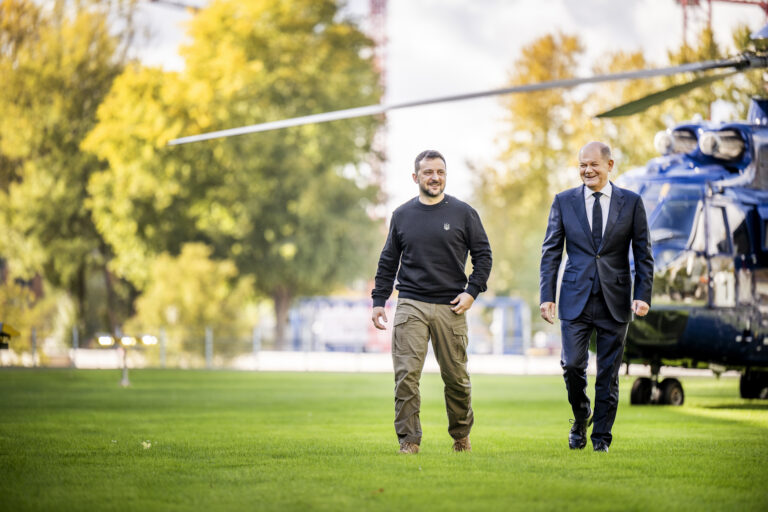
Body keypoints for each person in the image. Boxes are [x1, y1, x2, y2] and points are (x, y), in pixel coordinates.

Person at [371, 149, 492, 455]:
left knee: (457, 379)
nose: (435, 177)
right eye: (428, 172)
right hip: (410, 303)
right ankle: (409, 441)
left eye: (440, 172)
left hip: (451, 305)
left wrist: (471, 291)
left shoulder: (464, 213)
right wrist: (378, 300)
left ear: (445, 176)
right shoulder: (401, 215)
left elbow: (483, 256)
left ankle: (461, 435)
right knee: (406, 377)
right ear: (416, 177)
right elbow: (388, 261)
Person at [539, 141, 653, 453]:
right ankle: (580, 417)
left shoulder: (631, 203)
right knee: (572, 365)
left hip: (615, 299)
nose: (587, 171)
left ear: (609, 166)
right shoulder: (563, 201)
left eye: (594, 165)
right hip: (574, 297)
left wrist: (643, 294)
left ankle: (601, 438)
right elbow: (551, 252)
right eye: (582, 165)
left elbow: (643, 254)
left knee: (608, 374)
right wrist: (546, 295)